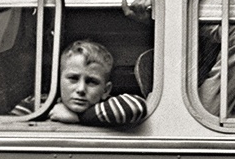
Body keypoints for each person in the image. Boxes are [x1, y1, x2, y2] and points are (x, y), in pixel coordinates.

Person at [11, 38, 149, 126]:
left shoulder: (108, 106)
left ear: (106, 90)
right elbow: (8, 126)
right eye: (73, 78)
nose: (81, 89)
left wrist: (78, 117)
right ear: (58, 81)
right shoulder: (39, 103)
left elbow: (137, 106)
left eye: (92, 82)